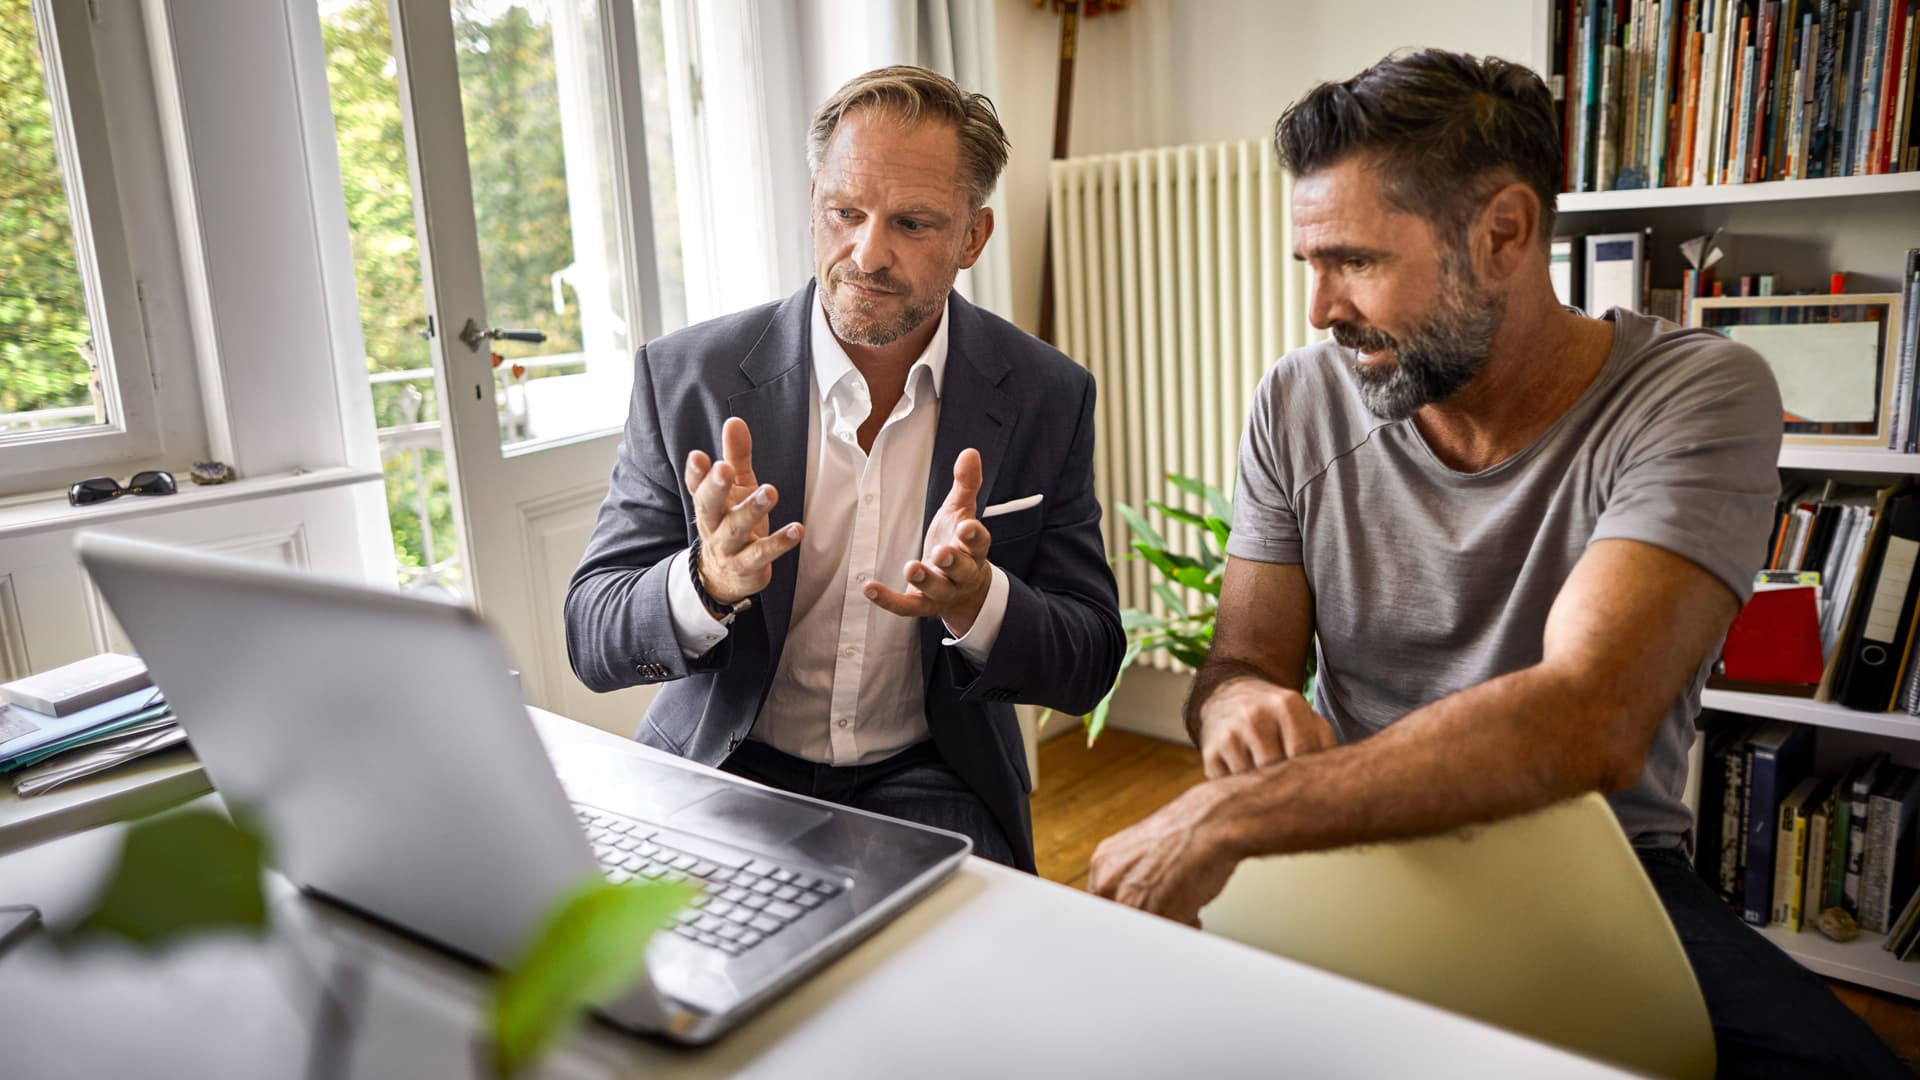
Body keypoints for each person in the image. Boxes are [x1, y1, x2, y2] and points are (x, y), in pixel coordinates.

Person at [1086, 49, 1906, 1076]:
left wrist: (1228, 813)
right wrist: (1235, 704)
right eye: (1311, 263)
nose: (1321, 308)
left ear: (1505, 234)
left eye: (1356, 261)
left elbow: (1589, 716)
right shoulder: (1295, 401)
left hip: (1593, 866)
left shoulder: (1698, 393)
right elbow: (1243, 657)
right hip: (1342, 845)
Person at [565, 65, 1125, 872]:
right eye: (845, 213)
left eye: (913, 223)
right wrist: (708, 582)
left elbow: (1091, 657)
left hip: (937, 775)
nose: (868, 253)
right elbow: (593, 633)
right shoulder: (686, 376)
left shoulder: (1047, 394)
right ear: (814, 206)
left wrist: (981, 603)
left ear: (973, 236)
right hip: (729, 766)